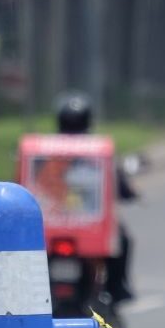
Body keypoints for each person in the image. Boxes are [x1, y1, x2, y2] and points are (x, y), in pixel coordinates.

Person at [55, 92, 136, 303]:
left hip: (53, 223)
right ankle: (117, 288)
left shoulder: (45, 150)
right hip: (89, 223)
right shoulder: (97, 150)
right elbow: (120, 184)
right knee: (123, 239)